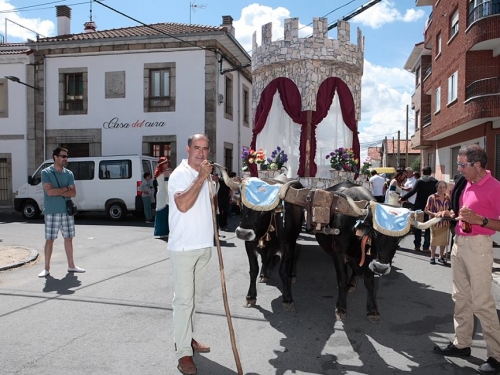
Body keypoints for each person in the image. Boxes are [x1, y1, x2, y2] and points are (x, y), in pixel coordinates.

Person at [433, 144, 500, 375]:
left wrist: (481, 220)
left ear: (477, 165)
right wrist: (451, 214)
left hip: (479, 247)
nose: (459, 168)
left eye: (462, 164)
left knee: (482, 302)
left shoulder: (495, 187)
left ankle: (496, 356)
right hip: (459, 244)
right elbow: (464, 214)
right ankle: (462, 344)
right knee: (460, 297)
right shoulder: (467, 184)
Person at [168, 134, 214, 375]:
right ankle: (183, 353)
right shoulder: (180, 175)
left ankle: (186, 338)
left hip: (204, 246)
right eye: (196, 148)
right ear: (187, 149)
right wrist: (201, 178)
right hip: (184, 248)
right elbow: (183, 205)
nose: (201, 153)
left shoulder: (205, 176)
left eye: (205, 149)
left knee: (193, 300)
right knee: (183, 301)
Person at [38, 147, 85, 277]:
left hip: (67, 211)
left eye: (66, 156)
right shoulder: (46, 172)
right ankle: (46, 268)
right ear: (55, 157)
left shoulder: (69, 173)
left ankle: (72, 266)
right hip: (52, 211)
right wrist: (65, 188)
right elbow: (50, 192)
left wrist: (57, 190)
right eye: (63, 156)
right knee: (50, 240)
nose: (66, 159)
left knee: (69, 238)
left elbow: (73, 193)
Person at [399, 166, 437, 251]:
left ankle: (417, 245)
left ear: (422, 172)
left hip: (419, 205)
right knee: (428, 226)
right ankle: (426, 247)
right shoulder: (435, 181)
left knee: (417, 225)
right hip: (430, 206)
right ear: (431, 172)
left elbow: (412, 192)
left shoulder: (420, 181)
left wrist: (402, 198)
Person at [424, 180, 451, 265]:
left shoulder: (448, 197)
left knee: (443, 241)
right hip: (435, 222)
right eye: (440, 187)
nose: (442, 189)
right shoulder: (432, 197)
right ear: (437, 188)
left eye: (443, 187)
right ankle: (432, 257)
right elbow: (426, 210)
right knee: (434, 239)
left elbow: (450, 209)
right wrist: (434, 214)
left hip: (445, 222)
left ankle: (441, 256)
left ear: (446, 188)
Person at [153, 157, 172, 239]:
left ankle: (160, 231)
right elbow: (167, 184)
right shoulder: (165, 173)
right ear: (163, 164)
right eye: (166, 163)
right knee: (164, 212)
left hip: (160, 193)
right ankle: (164, 231)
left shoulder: (158, 172)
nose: (167, 164)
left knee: (160, 211)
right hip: (165, 193)